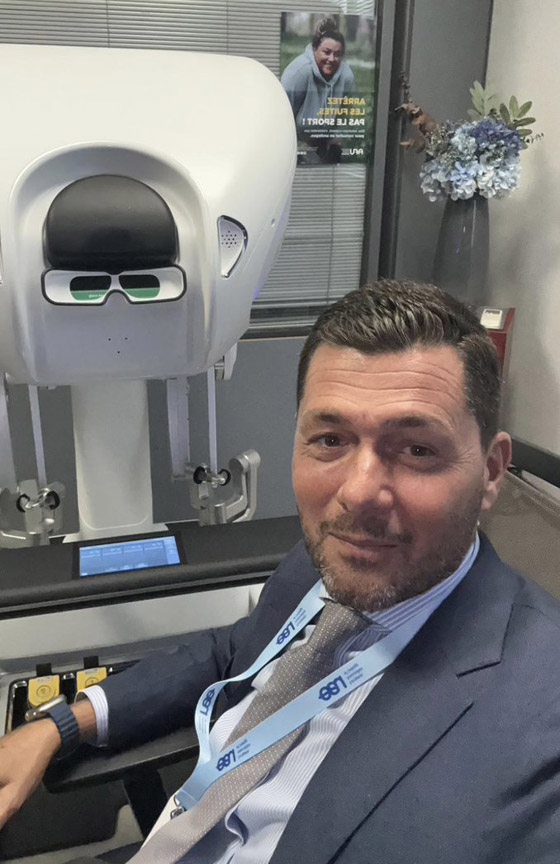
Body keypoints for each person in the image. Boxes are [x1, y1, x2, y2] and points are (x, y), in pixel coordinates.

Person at [2, 279, 560, 863]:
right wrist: (62, 724)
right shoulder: (325, 561)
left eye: (417, 450)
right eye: (330, 439)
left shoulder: (538, 721)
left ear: (491, 471)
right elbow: (230, 652)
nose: (358, 492)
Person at [281, 17, 354, 163]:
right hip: (296, 143)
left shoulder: (346, 76)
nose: (331, 59)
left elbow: (346, 116)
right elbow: (281, 119)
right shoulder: (299, 73)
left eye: (337, 54)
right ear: (315, 49)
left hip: (325, 142)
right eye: (326, 52)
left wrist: (337, 138)